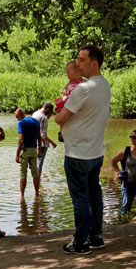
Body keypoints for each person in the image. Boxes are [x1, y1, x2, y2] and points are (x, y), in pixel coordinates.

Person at [55, 45, 110, 255]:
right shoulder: (104, 85)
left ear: (93, 63)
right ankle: (96, 237)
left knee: (80, 198)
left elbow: (61, 118)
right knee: (94, 194)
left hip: (78, 152)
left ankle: (80, 242)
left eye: (81, 60)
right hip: (96, 151)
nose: (77, 63)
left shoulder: (83, 89)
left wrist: (57, 112)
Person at [14, 108, 42, 199]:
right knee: (35, 173)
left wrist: (17, 154)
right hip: (34, 150)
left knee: (23, 173)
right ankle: (37, 194)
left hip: (25, 150)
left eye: (16, 116)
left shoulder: (21, 123)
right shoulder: (36, 121)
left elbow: (21, 140)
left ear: (21, 114)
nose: (17, 118)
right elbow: (39, 137)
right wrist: (40, 151)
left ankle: (22, 195)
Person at [55, 61, 85, 142]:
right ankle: (61, 132)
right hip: (66, 101)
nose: (67, 75)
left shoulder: (83, 82)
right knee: (61, 115)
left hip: (74, 104)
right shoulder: (69, 82)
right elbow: (64, 89)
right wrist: (65, 91)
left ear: (76, 72)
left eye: (68, 73)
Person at [32, 102, 57, 178]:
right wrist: (52, 143)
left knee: (36, 161)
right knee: (40, 162)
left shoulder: (35, 114)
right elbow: (43, 135)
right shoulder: (43, 117)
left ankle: (35, 178)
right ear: (48, 109)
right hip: (42, 144)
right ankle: (38, 180)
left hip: (34, 141)